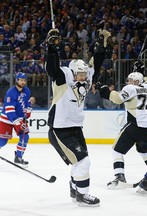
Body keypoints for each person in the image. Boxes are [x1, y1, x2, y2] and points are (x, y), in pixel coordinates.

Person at [45, 28, 99, 207]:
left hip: (76, 128)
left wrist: (102, 46)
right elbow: (52, 69)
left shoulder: (84, 77)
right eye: (80, 75)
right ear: (73, 73)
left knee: (80, 162)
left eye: (84, 74)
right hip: (60, 129)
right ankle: (83, 195)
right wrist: (53, 48)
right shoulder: (64, 79)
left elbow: (95, 65)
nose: (83, 78)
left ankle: (75, 188)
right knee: (84, 161)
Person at [98, 61, 147, 189]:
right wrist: (140, 71)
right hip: (146, 127)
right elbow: (144, 79)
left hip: (134, 124)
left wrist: (103, 91)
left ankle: (119, 176)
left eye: (132, 80)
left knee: (117, 150)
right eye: (129, 80)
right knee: (144, 150)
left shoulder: (130, 88)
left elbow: (118, 99)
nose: (129, 82)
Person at [0, 72, 32, 166]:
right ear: (17, 80)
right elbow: (9, 109)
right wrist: (16, 121)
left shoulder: (27, 91)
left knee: (25, 136)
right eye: (21, 80)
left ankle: (18, 157)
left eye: (24, 80)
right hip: (7, 118)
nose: (23, 82)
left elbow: (26, 104)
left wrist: (28, 111)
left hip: (19, 118)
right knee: (2, 141)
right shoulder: (11, 92)